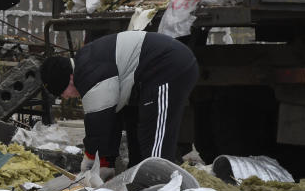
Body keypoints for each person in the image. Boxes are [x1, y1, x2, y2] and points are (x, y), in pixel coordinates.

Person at [40, 30, 198, 181]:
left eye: (62, 92)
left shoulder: (89, 73)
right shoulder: (87, 65)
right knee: (138, 130)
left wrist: (89, 159)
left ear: (69, 79)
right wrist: (106, 162)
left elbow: (98, 123)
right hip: (151, 73)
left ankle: (160, 189)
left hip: (167, 65)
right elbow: (111, 120)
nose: (65, 97)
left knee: (155, 139)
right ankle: (141, 183)